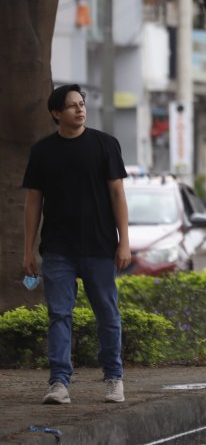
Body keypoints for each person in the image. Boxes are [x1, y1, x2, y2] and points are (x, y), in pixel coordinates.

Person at [22, 84, 131, 405]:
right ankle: (58, 383)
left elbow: (117, 195)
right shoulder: (42, 152)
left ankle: (113, 378)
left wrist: (124, 241)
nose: (80, 110)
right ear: (57, 113)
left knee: (107, 314)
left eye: (82, 104)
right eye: (72, 106)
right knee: (59, 315)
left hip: (99, 246)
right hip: (57, 249)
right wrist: (28, 250)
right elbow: (33, 203)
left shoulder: (105, 145)